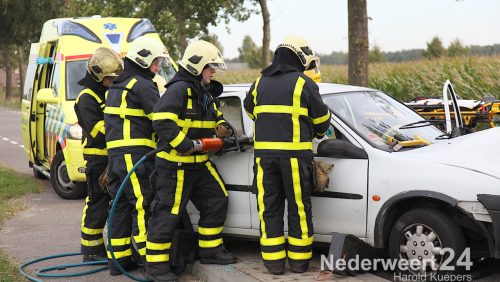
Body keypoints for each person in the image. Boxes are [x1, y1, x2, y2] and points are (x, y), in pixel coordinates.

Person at [145, 40, 236, 282]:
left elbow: (215, 115)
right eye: (210, 67)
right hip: (175, 166)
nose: (213, 72)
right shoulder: (178, 89)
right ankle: (155, 268)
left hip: (199, 164)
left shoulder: (202, 91)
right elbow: (162, 120)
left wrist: (222, 127)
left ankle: (210, 251)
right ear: (197, 66)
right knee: (168, 214)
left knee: (217, 198)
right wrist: (184, 143)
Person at [243, 35, 331, 275]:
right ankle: (299, 263)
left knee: (268, 208)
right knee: (298, 208)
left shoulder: (259, 81)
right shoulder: (304, 83)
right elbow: (322, 122)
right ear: (299, 57)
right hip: (294, 159)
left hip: (264, 159)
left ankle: (274, 264)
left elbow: (249, 109)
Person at [104, 36, 170, 276]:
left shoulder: (117, 86)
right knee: (142, 204)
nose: (157, 67)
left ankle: (118, 260)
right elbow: (161, 120)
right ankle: (149, 260)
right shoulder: (143, 85)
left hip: (115, 158)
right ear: (143, 61)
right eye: (155, 62)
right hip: (135, 156)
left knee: (120, 205)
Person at [74, 47, 124, 262]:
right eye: (110, 77)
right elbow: (98, 131)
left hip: (112, 157)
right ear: (98, 75)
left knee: (113, 202)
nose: (113, 81)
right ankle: (91, 250)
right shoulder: (86, 98)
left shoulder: (105, 92)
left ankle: (100, 249)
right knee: (97, 202)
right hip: (98, 159)